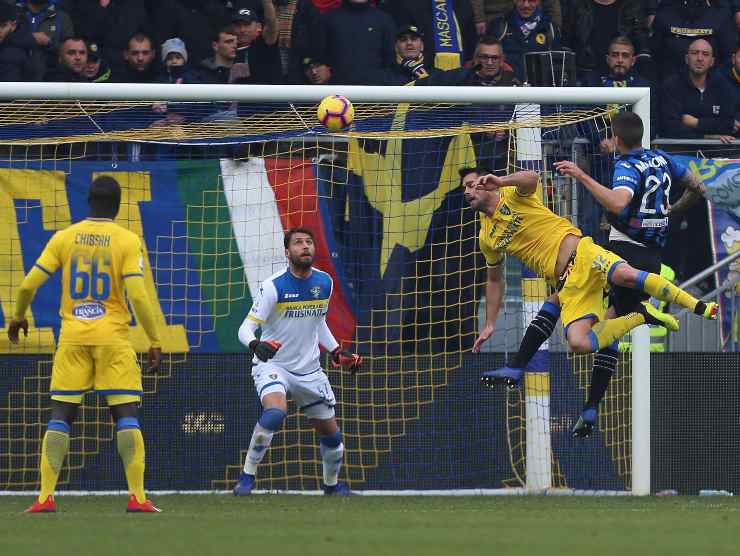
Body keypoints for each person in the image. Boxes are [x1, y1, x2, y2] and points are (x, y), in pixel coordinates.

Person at [483, 112, 708, 438]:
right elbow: (698, 186)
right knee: (586, 315)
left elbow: (618, 203)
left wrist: (581, 177)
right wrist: (672, 210)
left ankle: (534, 370)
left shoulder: (627, 166)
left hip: (625, 249)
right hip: (652, 256)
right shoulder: (662, 158)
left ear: (616, 139)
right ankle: (587, 405)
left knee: (579, 312)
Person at [462, 165, 716, 389]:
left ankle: (700, 306)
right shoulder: (487, 237)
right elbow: (495, 280)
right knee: (578, 343)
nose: (467, 192)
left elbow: (532, 177)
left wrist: (502, 180)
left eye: (471, 185)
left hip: (582, 253)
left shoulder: (512, 193)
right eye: (464, 189)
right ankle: (641, 315)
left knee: (625, 275)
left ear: (486, 183)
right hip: (567, 283)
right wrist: (490, 323)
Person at [7, 176, 162, 513]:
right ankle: (137, 497)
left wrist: (17, 317)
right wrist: (154, 340)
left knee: (61, 414)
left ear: (88, 202)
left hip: (73, 338)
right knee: (125, 414)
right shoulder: (126, 240)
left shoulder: (64, 238)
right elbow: (137, 293)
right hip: (113, 339)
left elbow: (27, 286)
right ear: (118, 205)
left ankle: (45, 496)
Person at [233, 227, 361, 496]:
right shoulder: (273, 286)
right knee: (275, 412)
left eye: (309, 242)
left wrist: (337, 350)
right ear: (287, 252)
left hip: (309, 370)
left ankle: (331, 485)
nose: (305, 247)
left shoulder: (324, 282)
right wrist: (257, 345)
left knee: (333, 438)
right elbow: (245, 329)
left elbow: (319, 323)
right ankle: (247, 477)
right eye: (299, 243)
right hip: (274, 364)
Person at [660, 38, 737, 142]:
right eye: (694, 53)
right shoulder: (671, 86)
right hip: (679, 151)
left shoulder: (723, 87)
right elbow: (670, 128)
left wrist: (695, 122)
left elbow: (729, 125)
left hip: (717, 152)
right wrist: (707, 137)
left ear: (712, 61)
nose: (700, 58)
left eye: (705, 54)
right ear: (687, 59)